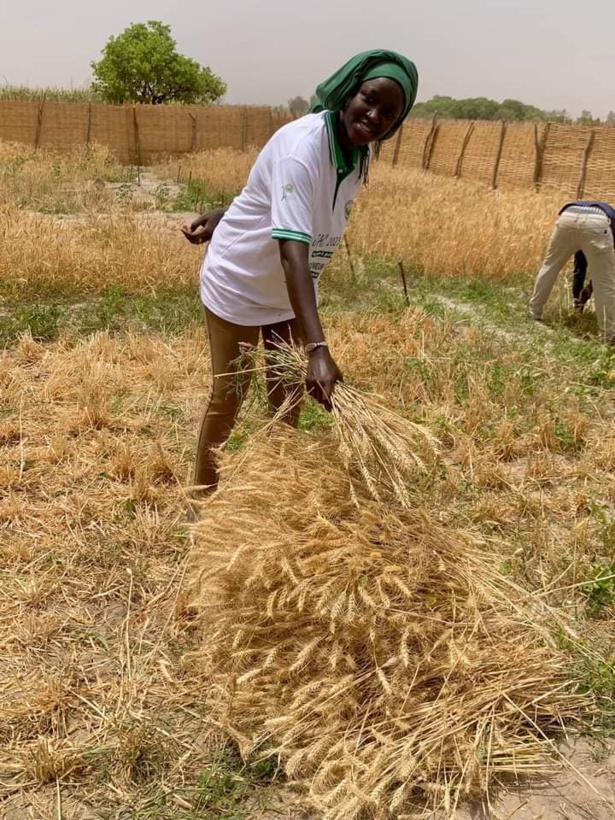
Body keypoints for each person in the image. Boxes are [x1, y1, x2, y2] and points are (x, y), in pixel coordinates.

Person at [181, 50, 419, 499]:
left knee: (287, 397)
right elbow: (293, 253)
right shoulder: (302, 147)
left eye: (389, 113)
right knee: (230, 395)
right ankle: (201, 497)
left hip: (288, 293)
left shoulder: (358, 155)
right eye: (369, 99)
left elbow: (283, 201)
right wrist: (318, 348)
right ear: (348, 91)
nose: (374, 117)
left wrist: (229, 213)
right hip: (240, 282)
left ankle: (271, 496)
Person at [529, 201, 615, 341]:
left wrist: (578, 295)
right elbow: (605, 271)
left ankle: (534, 312)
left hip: (567, 216)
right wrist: (587, 290)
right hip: (597, 223)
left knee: (550, 266)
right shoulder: (611, 224)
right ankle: (608, 334)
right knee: (605, 282)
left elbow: (579, 265)